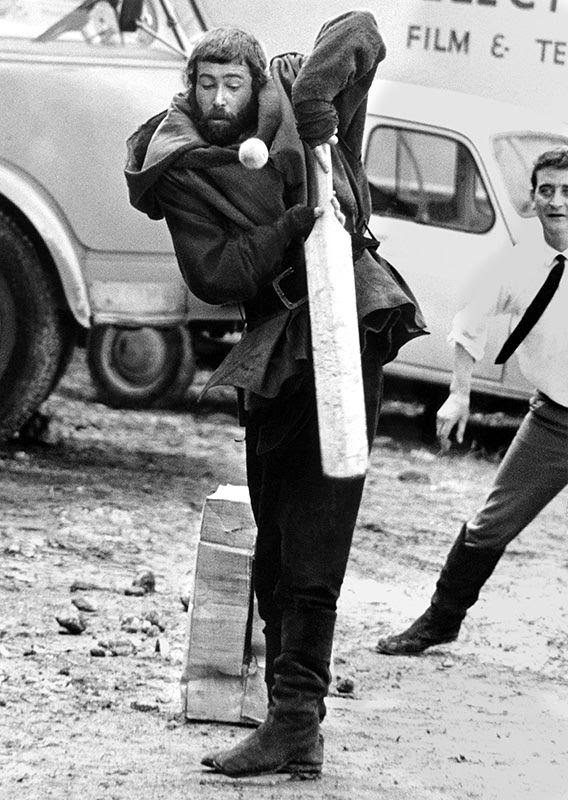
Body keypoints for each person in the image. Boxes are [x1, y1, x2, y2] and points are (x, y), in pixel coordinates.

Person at [125, 11, 426, 777]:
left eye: (233, 82)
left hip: (345, 331)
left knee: (316, 536)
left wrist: (322, 100)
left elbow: (360, 29)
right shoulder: (183, 168)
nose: (221, 97)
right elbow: (218, 275)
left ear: (255, 84)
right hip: (273, 352)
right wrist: (297, 221)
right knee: (275, 539)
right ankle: (292, 722)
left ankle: (297, 721)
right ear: (188, 91)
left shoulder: (302, 117)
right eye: (206, 84)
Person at [376, 148, 568, 657]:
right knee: (489, 526)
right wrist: (458, 394)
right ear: (532, 198)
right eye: (546, 190)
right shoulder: (517, 261)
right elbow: (469, 320)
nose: (556, 201)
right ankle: (440, 621)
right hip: (555, 421)